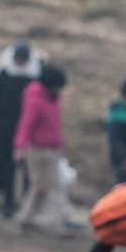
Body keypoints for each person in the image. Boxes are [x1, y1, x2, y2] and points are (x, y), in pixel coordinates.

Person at [13, 66, 75, 233]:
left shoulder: (53, 98)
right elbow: (26, 124)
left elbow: (54, 123)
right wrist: (20, 147)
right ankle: (60, 221)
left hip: (53, 149)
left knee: (39, 187)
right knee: (54, 186)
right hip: (38, 150)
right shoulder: (35, 99)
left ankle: (26, 218)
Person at [0, 40, 41, 217]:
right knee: (7, 165)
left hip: (27, 127)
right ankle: (8, 202)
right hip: (6, 125)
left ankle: (26, 203)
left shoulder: (34, 74)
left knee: (28, 167)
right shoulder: (3, 73)